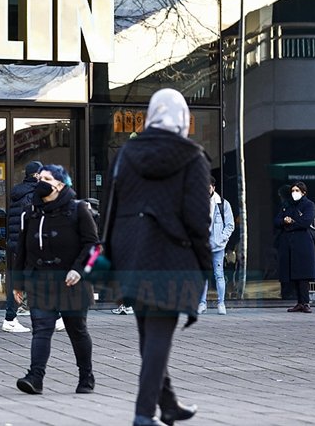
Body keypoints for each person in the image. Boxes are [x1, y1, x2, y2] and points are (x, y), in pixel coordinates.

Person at [105, 88, 208, 426]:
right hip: (172, 257)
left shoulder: (127, 154)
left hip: (131, 253)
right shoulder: (192, 157)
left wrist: (110, 254)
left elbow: (111, 209)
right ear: (182, 118)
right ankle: (143, 413)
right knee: (158, 337)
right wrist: (204, 266)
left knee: (148, 337)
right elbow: (197, 220)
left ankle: (169, 404)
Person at [12, 164, 98, 395]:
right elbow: (22, 249)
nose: (41, 182)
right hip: (41, 281)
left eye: (47, 178)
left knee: (77, 330)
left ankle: (86, 376)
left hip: (72, 282)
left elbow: (94, 247)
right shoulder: (31, 212)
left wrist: (80, 270)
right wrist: (18, 282)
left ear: (60, 185)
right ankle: (35, 377)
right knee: (41, 328)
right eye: (39, 177)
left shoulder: (78, 210)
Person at [3, 161, 42, 333]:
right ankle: (10, 318)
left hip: (16, 241)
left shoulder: (19, 193)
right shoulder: (32, 194)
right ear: (36, 175)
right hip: (26, 242)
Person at [274, 181, 315, 314]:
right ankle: (299, 302)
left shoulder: (309, 204)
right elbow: (277, 220)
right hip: (288, 243)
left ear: (303, 192)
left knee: (303, 274)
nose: (294, 193)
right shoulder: (287, 204)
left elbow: (306, 221)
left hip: (302, 243)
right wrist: (284, 221)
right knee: (292, 272)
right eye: (293, 190)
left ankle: (305, 302)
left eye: (297, 190)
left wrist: (290, 224)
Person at [198, 176, 235, 315]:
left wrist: (222, 239)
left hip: (218, 246)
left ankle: (221, 303)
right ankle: (202, 303)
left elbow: (230, 225)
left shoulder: (223, 204)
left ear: (213, 187)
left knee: (219, 274)